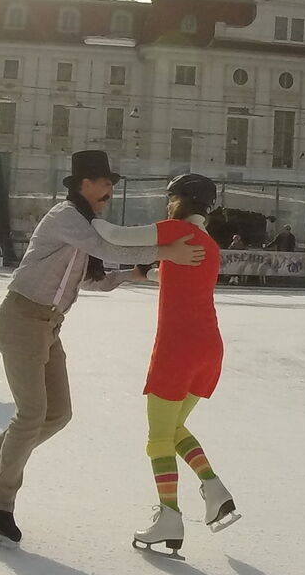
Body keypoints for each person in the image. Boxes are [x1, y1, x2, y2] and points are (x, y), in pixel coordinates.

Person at [0, 150, 206, 544]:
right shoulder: (66, 217)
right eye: (104, 183)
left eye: (111, 184)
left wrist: (132, 275)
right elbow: (108, 248)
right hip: (21, 319)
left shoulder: (87, 225)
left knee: (58, 413)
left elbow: (91, 279)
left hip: (48, 326)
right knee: (31, 414)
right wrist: (165, 251)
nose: (110, 190)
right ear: (83, 184)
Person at [90, 173, 238, 555]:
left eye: (170, 198)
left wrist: (84, 216)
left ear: (181, 201)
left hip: (177, 350)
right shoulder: (209, 244)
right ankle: (214, 489)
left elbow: (116, 236)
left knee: (158, 439)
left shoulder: (175, 230)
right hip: (209, 349)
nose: (167, 204)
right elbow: (178, 278)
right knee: (173, 429)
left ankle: (170, 516)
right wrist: (147, 272)